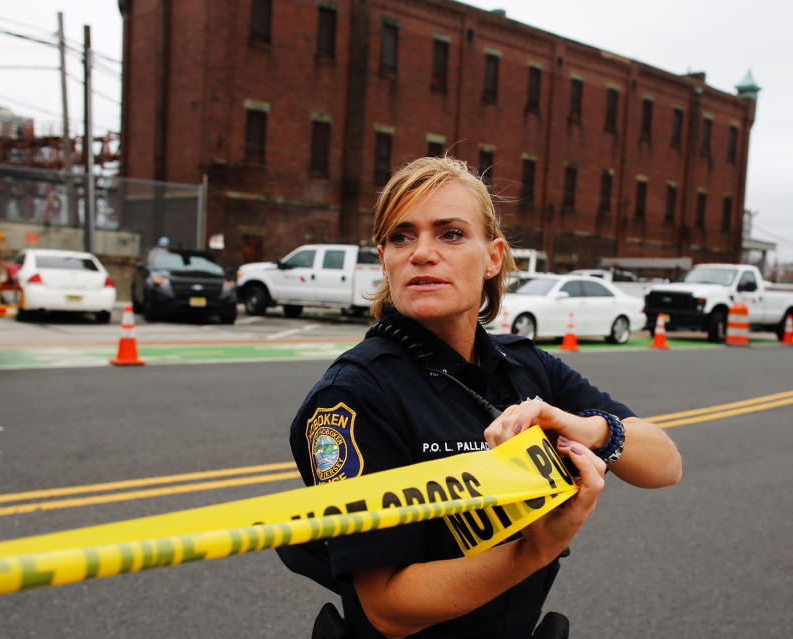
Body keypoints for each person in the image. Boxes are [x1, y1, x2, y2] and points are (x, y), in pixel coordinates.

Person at [285, 156, 682, 638]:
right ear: (384, 259)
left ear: (493, 257)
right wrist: (533, 550)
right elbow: (386, 608)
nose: (422, 253)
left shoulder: (523, 364)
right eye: (401, 236)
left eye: (450, 233)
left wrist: (595, 430)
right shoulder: (353, 397)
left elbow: (665, 466)